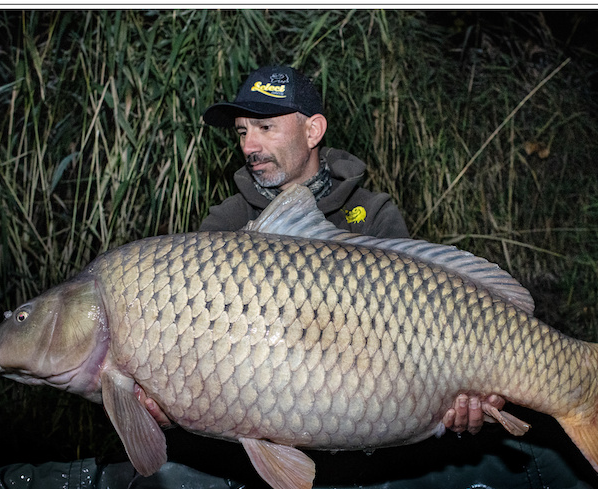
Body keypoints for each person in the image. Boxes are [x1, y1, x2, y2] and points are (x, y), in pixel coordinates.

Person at [135, 65, 507, 435]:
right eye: (242, 131)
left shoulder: (372, 213)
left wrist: (454, 405)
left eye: (266, 128)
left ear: (312, 130)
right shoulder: (226, 223)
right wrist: (173, 402)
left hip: (371, 432)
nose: (249, 146)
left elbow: (423, 335)